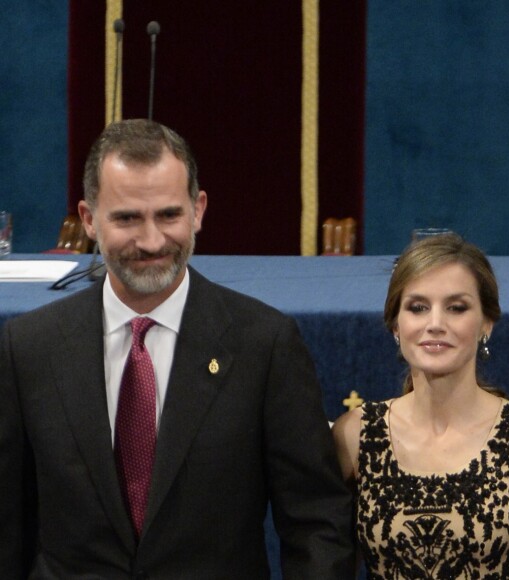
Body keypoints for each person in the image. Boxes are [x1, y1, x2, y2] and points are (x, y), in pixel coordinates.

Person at [0, 119, 355, 578]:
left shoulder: (264, 344)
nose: (151, 241)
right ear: (88, 220)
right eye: (127, 218)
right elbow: (9, 525)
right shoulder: (29, 347)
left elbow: (316, 523)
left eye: (168, 215)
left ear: (198, 209)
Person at [332, 233, 509, 579]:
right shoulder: (354, 435)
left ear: (486, 322)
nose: (435, 324)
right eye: (417, 307)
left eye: (456, 308)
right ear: (395, 325)